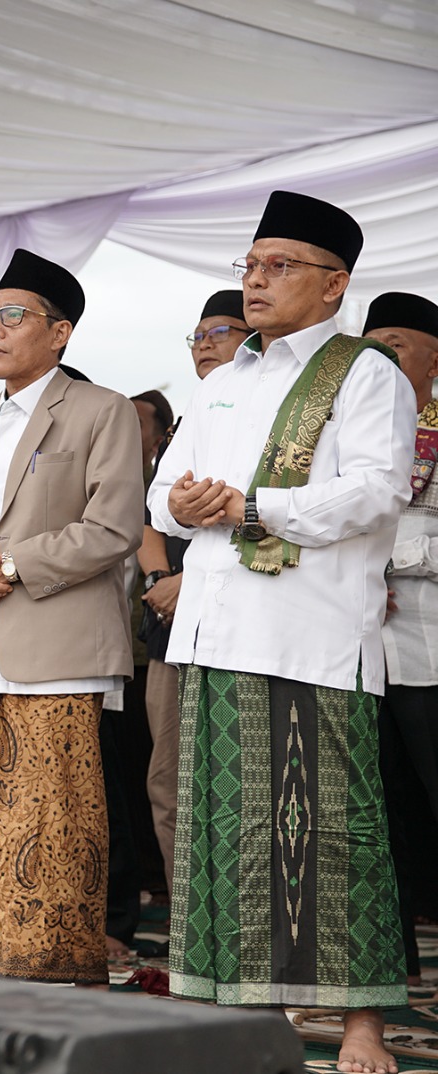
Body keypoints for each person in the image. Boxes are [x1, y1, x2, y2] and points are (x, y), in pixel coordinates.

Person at [148, 191, 410, 1074]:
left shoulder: (364, 372)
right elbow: (164, 493)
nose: (256, 282)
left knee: (336, 834)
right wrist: (184, 505)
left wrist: (255, 506)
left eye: (279, 266)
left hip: (311, 639)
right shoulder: (224, 380)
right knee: (223, 837)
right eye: (251, 266)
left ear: (334, 285)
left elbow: (377, 489)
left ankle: (364, 1022)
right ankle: (244, 1011)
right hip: (213, 634)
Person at [0, 248, 143, 984]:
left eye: (12, 316)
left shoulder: (101, 409)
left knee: (52, 828)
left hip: (58, 650)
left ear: (59, 333)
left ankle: (54, 985)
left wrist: (11, 565)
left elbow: (113, 528)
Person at [137, 290, 247, 894]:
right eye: (197, 336)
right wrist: (159, 582)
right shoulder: (185, 426)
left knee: (237, 780)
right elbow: (148, 519)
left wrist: (193, 580)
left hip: (242, 621)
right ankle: (187, 918)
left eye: (220, 332)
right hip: (172, 629)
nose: (204, 344)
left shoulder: (273, 420)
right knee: (168, 779)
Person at [364, 291, 438, 989]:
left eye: (396, 342)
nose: (380, 355)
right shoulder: (351, 427)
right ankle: (394, 964)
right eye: (372, 342)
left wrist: (384, 565)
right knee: (376, 811)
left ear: (434, 361)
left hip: (429, 646)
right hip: (361, 652)